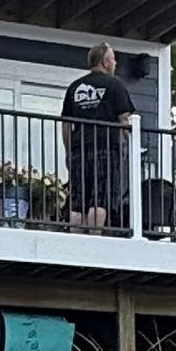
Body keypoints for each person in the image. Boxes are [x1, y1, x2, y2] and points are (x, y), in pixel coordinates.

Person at [59, 39, 135, 235]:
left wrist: (69, 152)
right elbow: (124, 119)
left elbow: (66, 124)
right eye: (114, 59)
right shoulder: (115, 84)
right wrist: (127, 146)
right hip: (106, 149)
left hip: (79, 151)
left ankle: (76, 241)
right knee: (100, 199)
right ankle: (94, 240)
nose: (115, 64)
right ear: (105, 62)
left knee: (78, 202)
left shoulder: (75, 87)